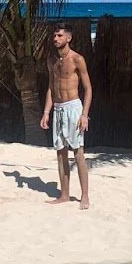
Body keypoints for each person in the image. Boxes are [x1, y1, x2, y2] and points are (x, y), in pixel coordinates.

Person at [39, 25, 93, 208]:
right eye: (54, 35)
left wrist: (84, 114)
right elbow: (51, 88)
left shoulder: (77, 59)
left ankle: (84, 195)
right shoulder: (52, 60)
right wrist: (47, 112)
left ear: (68, 38)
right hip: (58, 108)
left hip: (74, 107)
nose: (56, 38)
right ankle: (64, 194)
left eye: (59, 35)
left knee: (78, 152)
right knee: (60, 152)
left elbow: (88, 89)